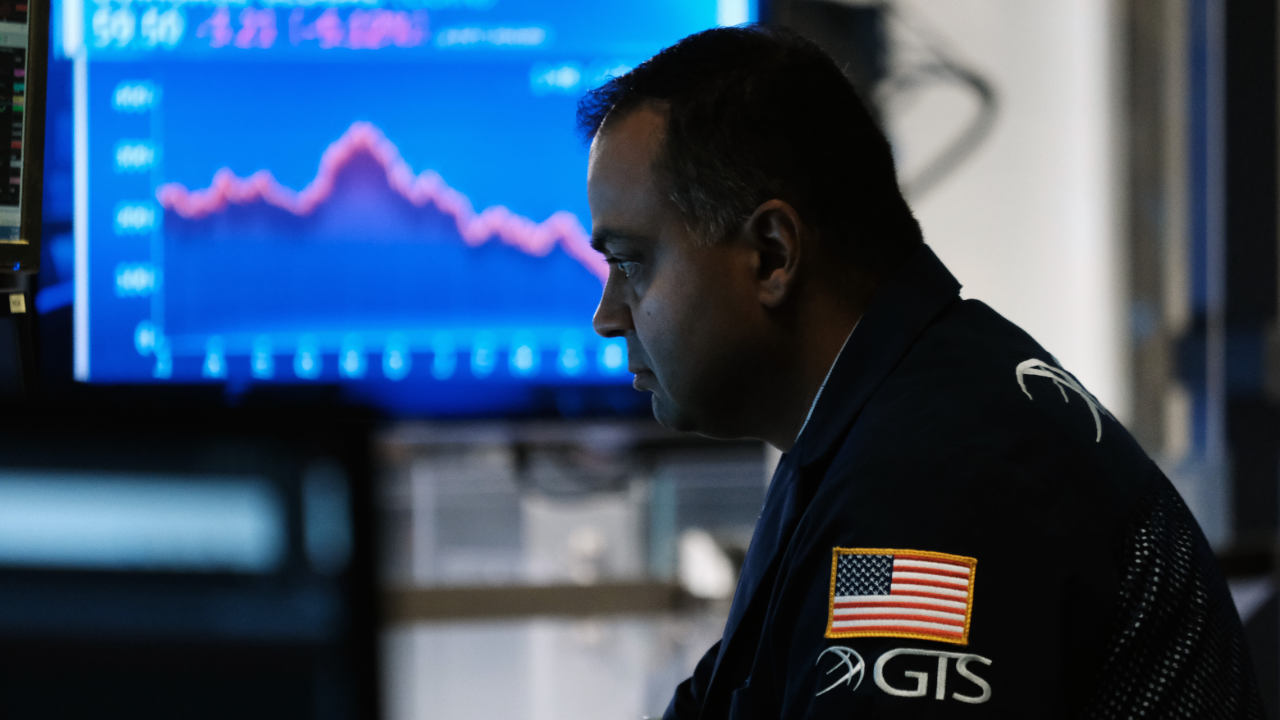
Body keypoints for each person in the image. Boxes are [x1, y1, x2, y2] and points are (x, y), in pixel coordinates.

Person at [579, 25, 1262, 719]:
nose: (608, 315)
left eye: (630, 261)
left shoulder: (940, 477)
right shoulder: (878, 423)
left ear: (772, 254)